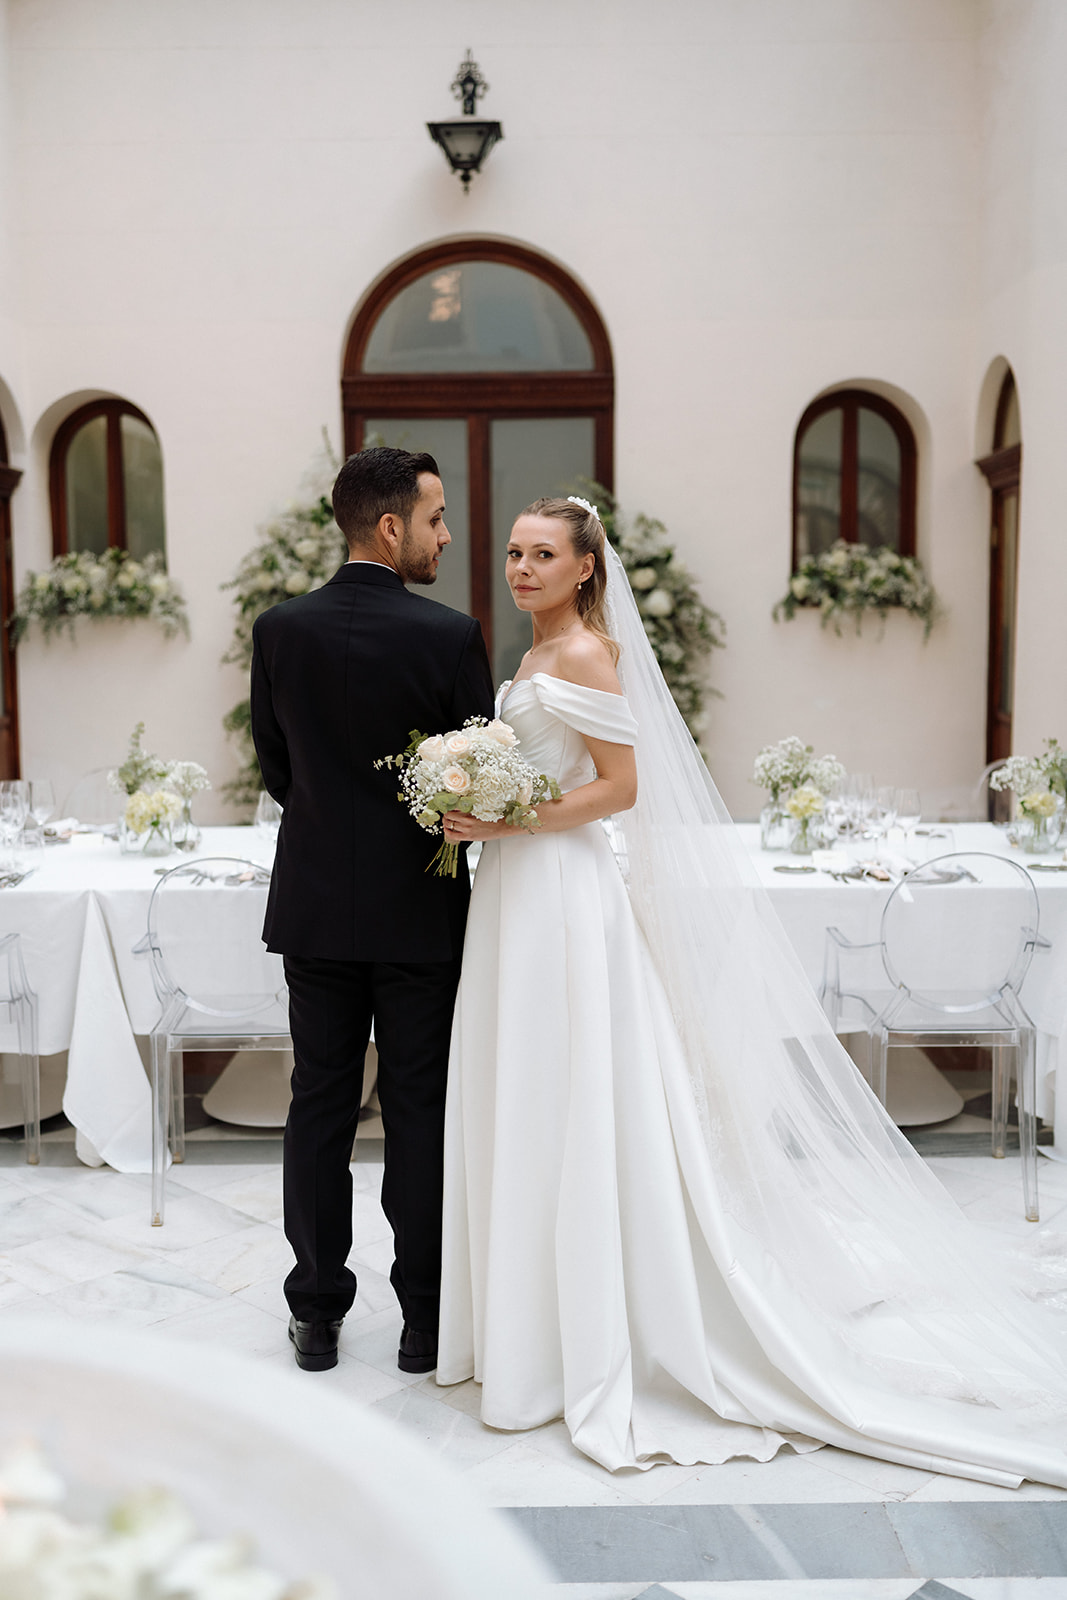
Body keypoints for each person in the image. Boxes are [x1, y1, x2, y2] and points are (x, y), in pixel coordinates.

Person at [436, 493, 1067, 1487]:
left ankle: (581, 1329)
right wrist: (479, 802)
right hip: (516, 889)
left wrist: (507, 820)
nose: (521, 568)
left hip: (559, 891)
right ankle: (529, 1321)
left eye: (542, 554)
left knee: (570, 1083)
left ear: (584, 567)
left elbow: (620, 789)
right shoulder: (532, 654)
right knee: (528, 1084)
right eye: (514, 552)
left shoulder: (586, 654)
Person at [251, 446, 494, 1374]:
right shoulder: (449, 636)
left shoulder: (279, 630)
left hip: (315, 907)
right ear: (390, 528)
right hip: (419, 912)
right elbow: (474, 773)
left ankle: (315, 1313)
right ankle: (422, 1321)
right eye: (434, 519)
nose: (444, 536)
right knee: (417, 1109)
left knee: (318, 1102)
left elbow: (279, 769)